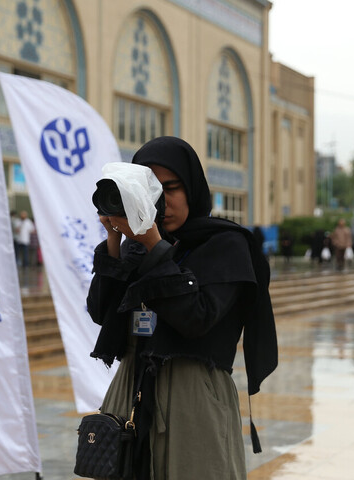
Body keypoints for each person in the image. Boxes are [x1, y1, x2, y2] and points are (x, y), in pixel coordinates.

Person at [86, 137, 277, 480]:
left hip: (193, 396)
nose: (162, 201)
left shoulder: (225, 244)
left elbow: (196, 319)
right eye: (151, 189)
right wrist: (115, 241)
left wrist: (155, 247)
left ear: (191, 187)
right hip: (131, 388)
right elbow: (101, 313)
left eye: (170, 188)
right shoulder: (136, 246)